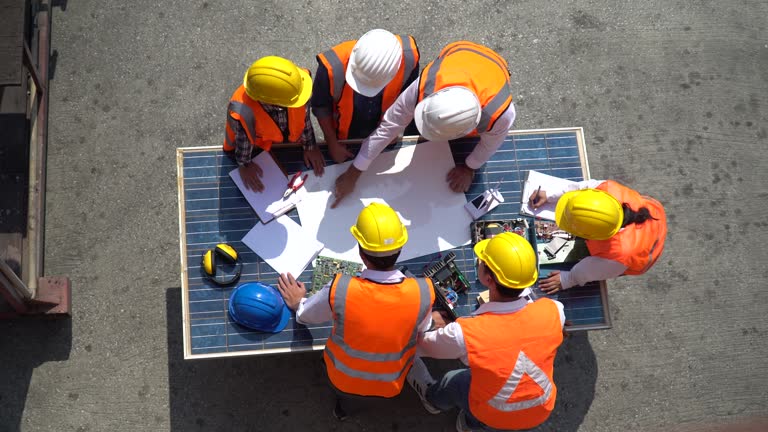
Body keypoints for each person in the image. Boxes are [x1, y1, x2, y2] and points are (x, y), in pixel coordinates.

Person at [276, 202, 435, 419]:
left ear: (361, 252)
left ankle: (341, 411)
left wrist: (297, 302)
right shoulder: (423, 292)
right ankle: (344, 409)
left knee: (346, 396)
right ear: (401, 248)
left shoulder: (341, 289)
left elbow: (305, 316)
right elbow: (423, 328)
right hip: (391, 384)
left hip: (342, 379)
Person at [408, 232, 565, 431]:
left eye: (480, 262)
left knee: (454, 381)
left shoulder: (466, 334)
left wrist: (431, 324)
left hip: (493, 412)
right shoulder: (554, 310)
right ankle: (472, 425)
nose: (478, 263)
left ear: (488, 279)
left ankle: (433, 401)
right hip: (542, 408)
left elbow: (417, 346)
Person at [331, 41, 515, 208]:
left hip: (495, 68)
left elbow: (489, 145)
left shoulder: (500, 114)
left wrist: (469, 168)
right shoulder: (424, 86)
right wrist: (353, 173)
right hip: (461, 51)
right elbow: (388, 128)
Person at [528, 179, 667, 293]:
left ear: (589, 236)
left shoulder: (620, 255)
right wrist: (550, 195)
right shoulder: (608, 189)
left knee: (606, 266)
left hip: (641, 254)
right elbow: (581, 189)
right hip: (654, 212)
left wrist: (568, 279)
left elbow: (588, 270)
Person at [312, 29, 420, 164]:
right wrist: (332, 143)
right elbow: (321, 107)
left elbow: (408, 99)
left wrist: (391, 130)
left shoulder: (409, 60)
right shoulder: (332, 67)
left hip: (382, 128)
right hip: (344, 135)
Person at [224, 56, 325, 192]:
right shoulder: (243, 113)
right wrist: (244, 165)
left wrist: (310, 146)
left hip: (283, 139)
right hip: (257, 148)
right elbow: (244, 142)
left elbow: (303, 117)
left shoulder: (296, 87)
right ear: (272, 101)